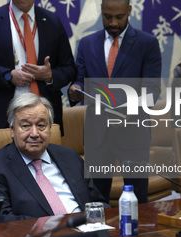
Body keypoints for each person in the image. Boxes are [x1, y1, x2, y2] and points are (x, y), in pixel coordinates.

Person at [68, 0, 161, 204]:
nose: (113, 22)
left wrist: (131, 107)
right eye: (107, 16)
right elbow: (80, 80)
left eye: (119, 17)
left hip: (133, 133)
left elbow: (152, 90)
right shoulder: (86, 43)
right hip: (97, 134)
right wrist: (75, 91)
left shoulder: (147, 43)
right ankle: (99, 236)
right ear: (101, 11)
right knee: (95, 200)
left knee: (138, 200)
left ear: (129, 11)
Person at [0, 93, 109, 223]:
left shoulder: (70, 157)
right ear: (12, 130)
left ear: (50, 129)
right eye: (26, 126)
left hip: (88, 233)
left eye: (41, 125)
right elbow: (2, 220)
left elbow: (98, 203)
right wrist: (53, 226)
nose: (34, 134)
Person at [0, 0, 76, 134]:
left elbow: (69, 69)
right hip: (1, 117)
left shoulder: (53, 21)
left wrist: (50, 76)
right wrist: (8, 76)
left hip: (44, 119)